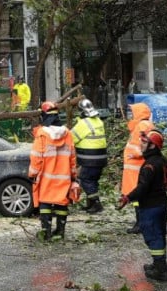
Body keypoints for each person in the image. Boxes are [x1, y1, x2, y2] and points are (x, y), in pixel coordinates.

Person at [118, 129, 167, 281]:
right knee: (160, 235)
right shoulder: (163, 161)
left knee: (153, 237)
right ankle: (159, 264)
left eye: (144, 142)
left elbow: (142, 187)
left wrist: (127, 198)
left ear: (152, 146)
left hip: (151, 206)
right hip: (162, 203)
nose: (141, 144)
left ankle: (161, 271)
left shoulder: (149, 165)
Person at [29, 101, 78, 241]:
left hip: (46, 177)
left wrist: (32, 174)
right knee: (61, 202)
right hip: (64, 177)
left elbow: (36, 157)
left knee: (45, 202)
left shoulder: (42, 134)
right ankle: (60, 231)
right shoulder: (67, 133)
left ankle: (46, 232)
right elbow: (72, 157)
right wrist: (73, 176)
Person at [121, 102, 155, 234]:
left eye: (132, 112)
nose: (130, 115)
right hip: (136, 168)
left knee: (137, 197)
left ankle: (140, 224)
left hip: (136, 167)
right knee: (138, 197)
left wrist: (134, 155)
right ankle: (141, 222)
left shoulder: (142, 126)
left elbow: (146, 146)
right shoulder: (144, 125)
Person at [71, 98, 108, 213]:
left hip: (89, 159)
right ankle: (91, 204)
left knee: (86, 179)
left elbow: (71, 139)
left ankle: (96, 204)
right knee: (93, 180)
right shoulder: (98, 121)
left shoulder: (83, 124)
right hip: (101, 158)